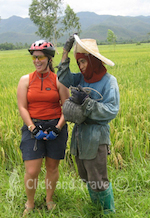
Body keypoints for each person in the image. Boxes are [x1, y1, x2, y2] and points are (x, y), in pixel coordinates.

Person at [57, 34, 120, 214]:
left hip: (96, 136)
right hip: (80, 136)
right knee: (86, 175)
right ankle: (96, 208)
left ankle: (108, 212)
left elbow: (112, 109)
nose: (81, 67)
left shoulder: (109, 82)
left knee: (98, 177)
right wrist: (65, 52)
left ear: (92, 61)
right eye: (79, 63)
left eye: (84, 62)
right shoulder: (82, 79)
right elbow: (63, 77)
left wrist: (88, 104)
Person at [17, 40, 70, 216]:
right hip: (33, 125)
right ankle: (30, 204)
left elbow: (67, 107)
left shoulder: (58, 80)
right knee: (32, 170)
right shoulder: (25, 80)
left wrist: (57, 128)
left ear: (49, 59)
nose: (36, 61)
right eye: (34, 57)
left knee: (52, 167)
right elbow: (22, 107)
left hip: (55, 125)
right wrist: (32, 128)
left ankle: (49, 200)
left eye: (40, 57)